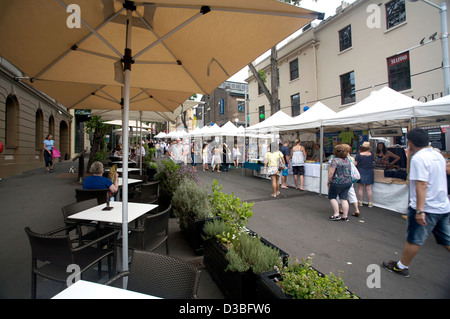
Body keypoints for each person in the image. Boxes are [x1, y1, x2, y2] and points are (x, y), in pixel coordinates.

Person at [382, 128, 450, 277]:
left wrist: (420, 210)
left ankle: (401, 267)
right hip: (442, 205)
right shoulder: (438, 155)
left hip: (426, 207)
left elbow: (422, 184)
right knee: (446, 239)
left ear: (410, 142)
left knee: (414, 239)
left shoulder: (418, 159)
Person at [327, 144, 352, 221]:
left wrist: (329, 181)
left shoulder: (335, 160)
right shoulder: (347, 159)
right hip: (347, 181)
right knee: (344, 198)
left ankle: (336, 214)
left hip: (337, 182)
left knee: (332, 197)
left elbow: (331, 173)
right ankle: (345, 216)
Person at [355, 141, 375, 208]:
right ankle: (370, 202)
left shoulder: (359, 155)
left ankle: (360, 202)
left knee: (360, 188)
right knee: (369, 188)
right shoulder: (372, 154)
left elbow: (355, 164)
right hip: (369, 171)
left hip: (360, 171)